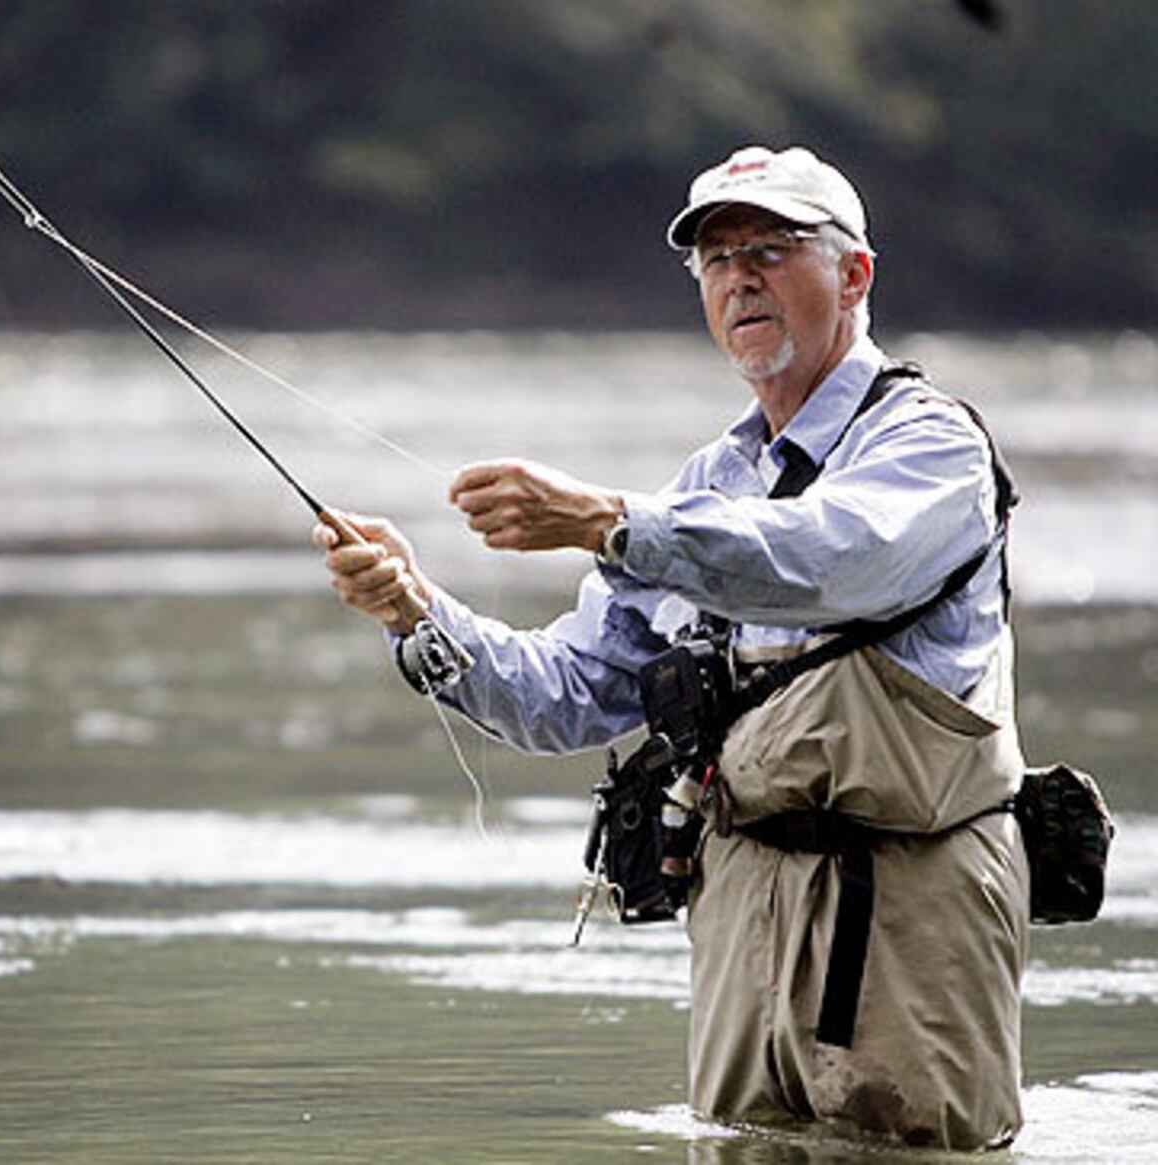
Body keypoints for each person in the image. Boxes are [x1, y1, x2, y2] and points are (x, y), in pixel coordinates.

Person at [314, 145, 1028, 1150]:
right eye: (716, 259)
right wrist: (418, 614)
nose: (740, 277)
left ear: (853, 274)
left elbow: (828, 561)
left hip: (906, 890)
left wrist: (608, 519)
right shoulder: (703, 483)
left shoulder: (930, 441)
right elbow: (571, 692)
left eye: (771, 250)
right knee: (737, 1150)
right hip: (736, 899)